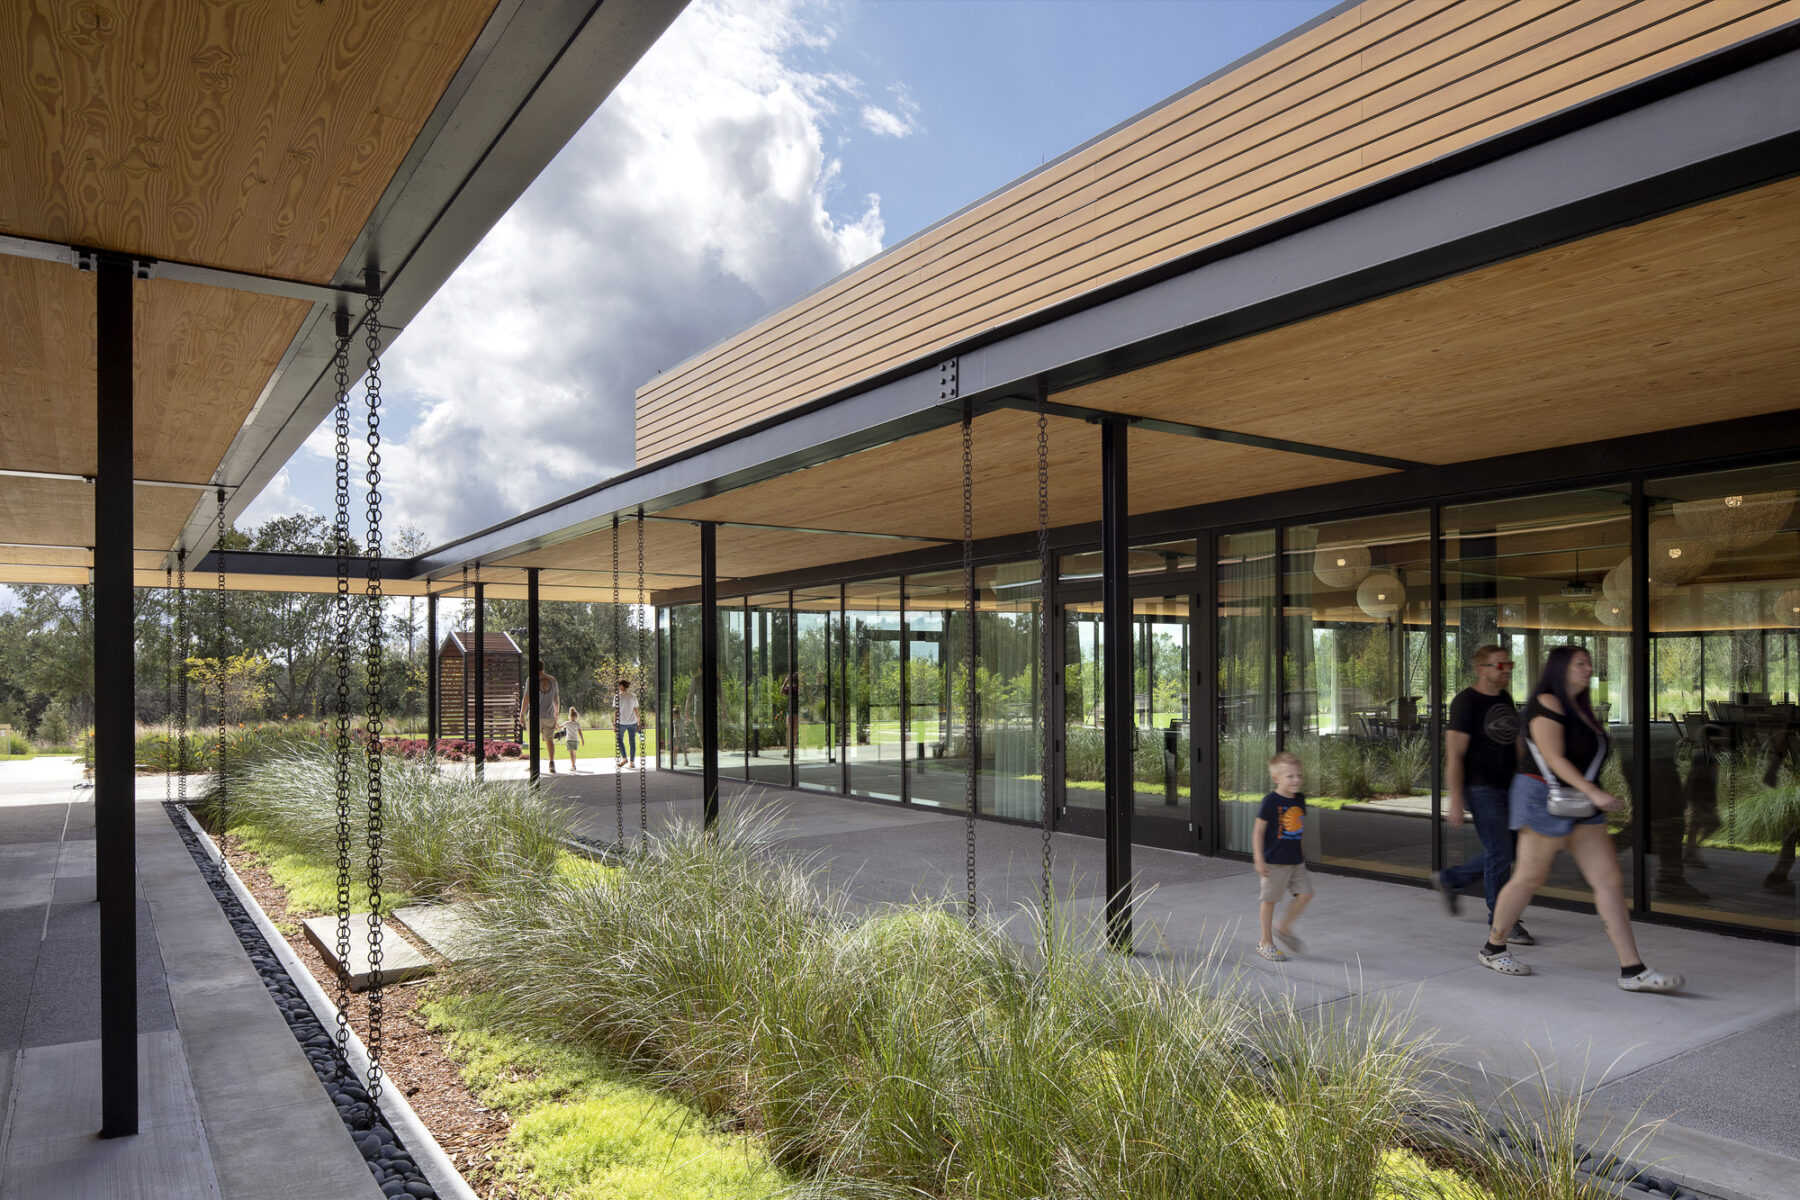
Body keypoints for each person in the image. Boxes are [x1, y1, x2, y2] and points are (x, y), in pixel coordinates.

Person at [1479, 645, 1685, 992]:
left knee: (1608, 880)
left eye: (1589, 663)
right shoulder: (1546, 703)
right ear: (1560, 669)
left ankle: (1632, 969)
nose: (1588, 669)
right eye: (1580, 664)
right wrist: (1595, 793)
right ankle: (1494, 947)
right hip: (1542, 799)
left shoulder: (1582, 709)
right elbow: (1554, 759)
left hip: (1578, 802)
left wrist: (1592, 794)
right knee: (1529, 877)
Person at [1433, 645, 1533, 945]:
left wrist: (1527, 775)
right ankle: (1502, 921)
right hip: (1480, 787)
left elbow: (1515, 740)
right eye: (1500, 666)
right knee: (1501, 850)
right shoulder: (1465, 702)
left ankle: (1452, 879)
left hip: (1509, 785)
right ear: (1482, 669)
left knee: (1511, 847)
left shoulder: (1503, 697)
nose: (1506, 671)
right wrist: (1455, 799)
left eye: (1509, 665)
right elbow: (1455, 754)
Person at [1253, 750, 1312, 962]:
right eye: (1290, 776)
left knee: (1306, 894)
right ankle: (1265, 942)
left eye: (1299, 775)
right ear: (1277, 778)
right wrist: (1259, 859)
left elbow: (1299, 829)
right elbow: (1258, 832)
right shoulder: (1271, 801)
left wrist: (1302, 855)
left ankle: (1283, 927)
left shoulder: (1300, 800)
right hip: (1274, 861)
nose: (1296, 780)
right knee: (1269, 901)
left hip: (1296, 860)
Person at [520, 660, 561, 772]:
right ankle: (551, 763)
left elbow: (526, 698)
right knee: (549, 740)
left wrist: (522, 714)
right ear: (543, 667)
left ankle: (533, 764)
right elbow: (556, 698)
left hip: (534, 716)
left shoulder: (530, 679)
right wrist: (556, 713)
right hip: (549, 715)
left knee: (533, 740)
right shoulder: (552, 680)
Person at [614, 677, 640, 770]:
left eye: (619, 685)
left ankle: (624, 758)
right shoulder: (633, 696)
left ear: (621, 686)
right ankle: (632, 762)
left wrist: (615, 723)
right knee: (632, 741)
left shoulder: (618, 696)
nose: (618, 687)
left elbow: (616, 711)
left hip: (622, 722)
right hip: (633, 722)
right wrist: (639, 721)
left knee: (619, 739)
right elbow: (636, 709)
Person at [560, 707, 583, 772]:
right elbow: (580, 732)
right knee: (574, 752)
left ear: (569, 716)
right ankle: (573, 764)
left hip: (569, 740)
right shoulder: (577, 724)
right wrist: (582, 740)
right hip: (575, 740)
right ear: (576, 716)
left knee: (571, 753)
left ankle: (573, 765)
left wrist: (555, 722)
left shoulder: (567, 723)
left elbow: (559, 727)